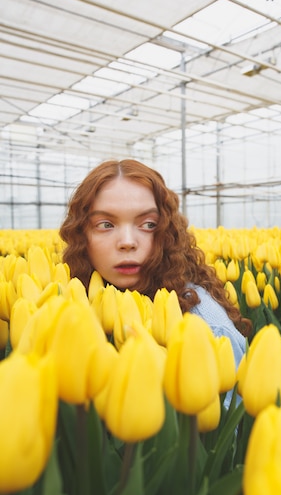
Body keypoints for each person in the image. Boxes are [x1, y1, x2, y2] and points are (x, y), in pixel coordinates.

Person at [59, 158, 251, 370]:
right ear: (80, 235)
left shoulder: (207, 326)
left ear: (167, 233)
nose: (127, 242)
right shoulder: (69, 306)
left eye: (148, 224)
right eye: (106, 224)